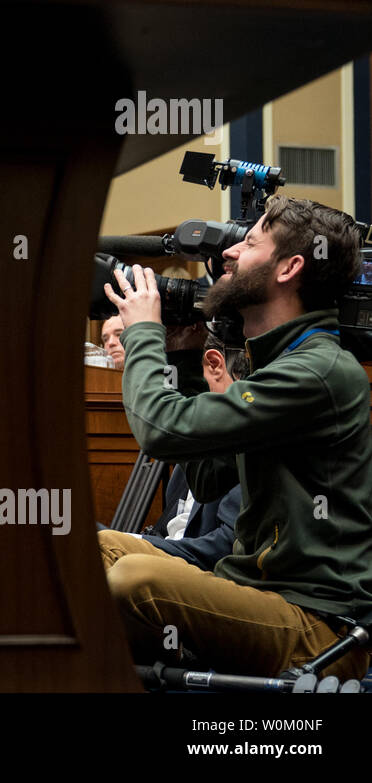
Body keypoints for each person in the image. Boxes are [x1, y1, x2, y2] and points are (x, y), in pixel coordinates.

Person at [100, 194, 372, 681]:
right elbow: (206, 478)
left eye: (249, 242)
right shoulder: (277, 363)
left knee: (134, 578)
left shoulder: (320, 371)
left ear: (288, 268)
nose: (227, 252)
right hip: (252, 593)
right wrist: (181, 353)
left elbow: (161, 431)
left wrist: (144, 332)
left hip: (316, 626)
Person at [115, 329, 246, 570]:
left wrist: (130, 544)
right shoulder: (198, 439)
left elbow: (220, 550)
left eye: (190, 375)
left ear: (215, 364)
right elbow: (171, 531)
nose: (184, 393)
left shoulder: (247, 435)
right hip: (171, 557)